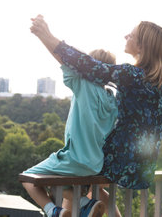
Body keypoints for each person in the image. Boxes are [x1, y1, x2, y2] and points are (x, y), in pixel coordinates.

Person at [29, 0, 162, 215]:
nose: (126, 36)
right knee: (95, 191)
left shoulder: (132, 75)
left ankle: (81, 205)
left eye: (131, 35)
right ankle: (86, 206)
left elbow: (88, 65)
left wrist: (48, 37)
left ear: (141, 47)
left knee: (59, 181)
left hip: (116, 160)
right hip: (143, 164)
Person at [22, 49, 118, 217]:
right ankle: (85, 204)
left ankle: (54, 211)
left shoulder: (82, 85)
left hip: (74, 158)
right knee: (59, 185)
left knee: (28, 178)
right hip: (95, 164)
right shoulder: (112, 100)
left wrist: (51, 41)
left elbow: (66, 61)